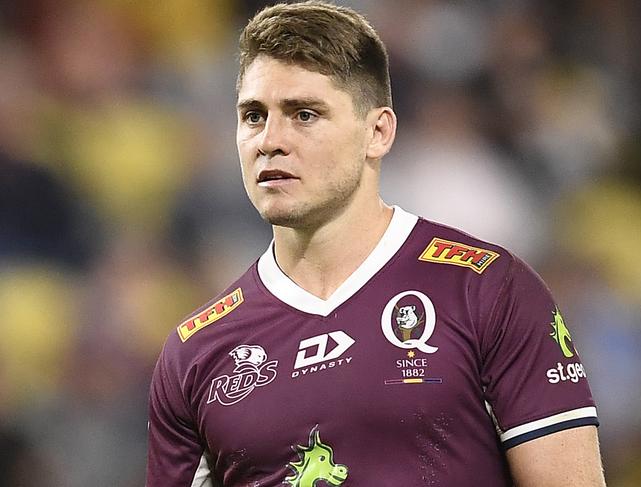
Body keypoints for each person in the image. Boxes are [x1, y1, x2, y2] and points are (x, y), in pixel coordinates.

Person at [146, 2, 606, 485]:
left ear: (378, 132)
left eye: (304, 114)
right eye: (253, 116)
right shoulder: (196, 352)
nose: (270, 140)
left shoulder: (486, 289)